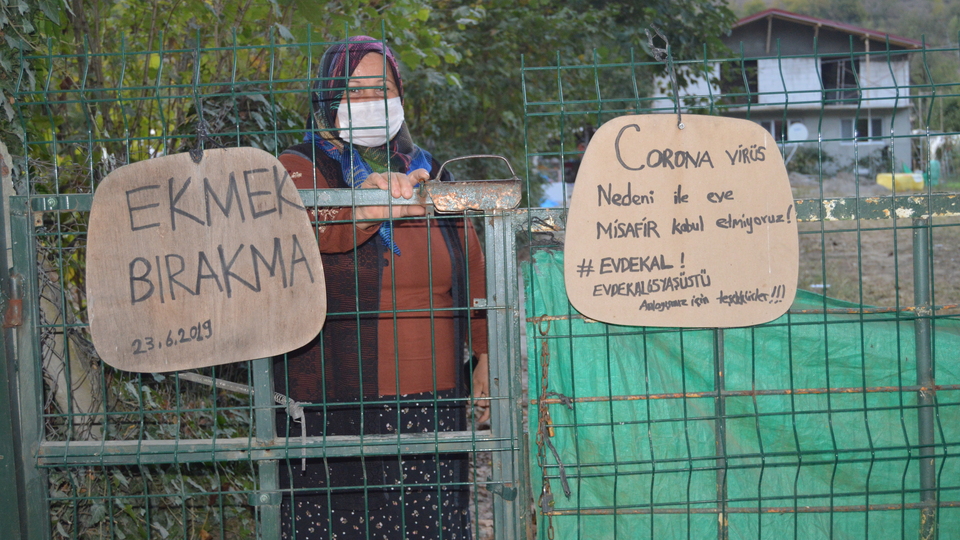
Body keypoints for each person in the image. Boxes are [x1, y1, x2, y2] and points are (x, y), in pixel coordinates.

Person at [273, 36, 489, 540]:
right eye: (355, 89)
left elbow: (474, 270)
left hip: (433, 408)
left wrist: (484, 358)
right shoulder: (300, 168)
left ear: (401, 95)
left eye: (382, 87)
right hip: (339, 409)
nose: (371, 100)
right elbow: (309, 234)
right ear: (328, 98)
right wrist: (363, 207)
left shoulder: (430, 174)